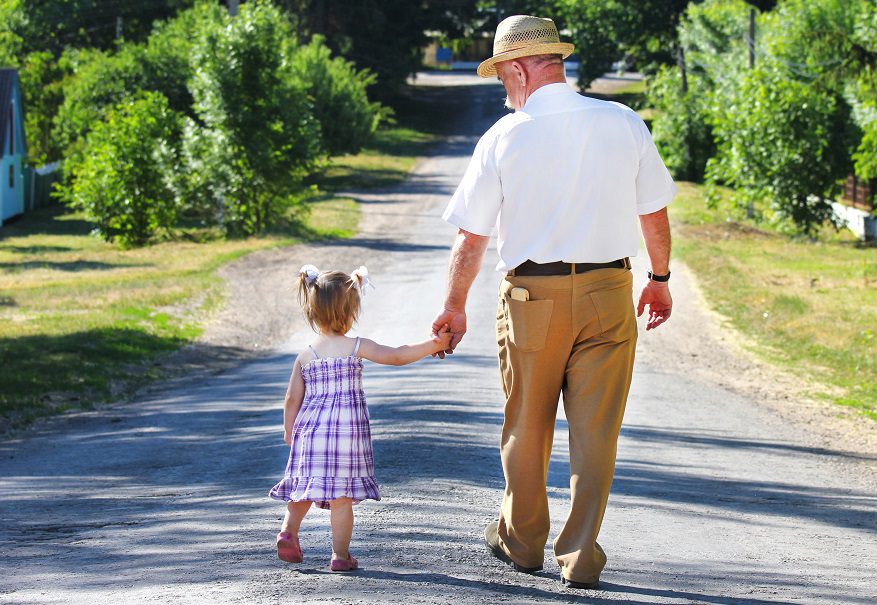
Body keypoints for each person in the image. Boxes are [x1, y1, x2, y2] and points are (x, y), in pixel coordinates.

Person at [431, 15, 677, 590]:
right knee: (597, 431)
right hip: (609, 291)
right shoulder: (623, 121)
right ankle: (581, 555)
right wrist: (659, 278)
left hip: (530, 297)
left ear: (517, 68)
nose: (503, 88)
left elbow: (472, 236)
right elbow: (654, 212)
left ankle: (521, 543)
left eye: (501, 76)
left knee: (526, 423)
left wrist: (454, 305)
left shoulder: (505, 136)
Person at [270, 264, 452, 571]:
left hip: (310, 433)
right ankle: (340, 556)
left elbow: (292, 399)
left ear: (313, 311)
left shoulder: (306, 355)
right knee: (341, 499)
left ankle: (289, 531)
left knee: (303, 486)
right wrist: (434, 344)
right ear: (352, 311)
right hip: (346, 436)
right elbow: (397, 355)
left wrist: (290, 432)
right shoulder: (356, 347)